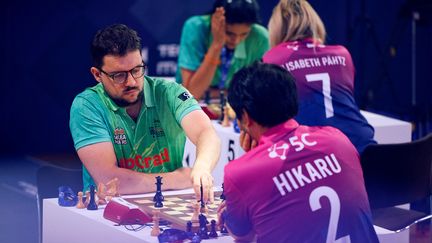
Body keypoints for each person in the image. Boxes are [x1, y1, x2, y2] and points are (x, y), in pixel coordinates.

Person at [217, 62, 379, 243]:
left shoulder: (239, 172)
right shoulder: (338, 139)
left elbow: (243, 237)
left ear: (246, 117)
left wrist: (252, 160)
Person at [69, 24, 221, 201]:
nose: (131, 82)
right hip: (109, 209)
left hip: (168, 201)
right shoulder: (87, 105)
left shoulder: (170, 92)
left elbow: (206, 132)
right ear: (97, 74)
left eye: (137, 70)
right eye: (118, 75)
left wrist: (202, 167)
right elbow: (109, 181)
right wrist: (177, 179)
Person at [263, 0, 376, 154]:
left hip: (316, 152)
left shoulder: (273, 59)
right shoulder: (342, 54)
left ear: (276, 29)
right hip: (364, 146)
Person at [176, 0, 269, 100]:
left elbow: (255, 93)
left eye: (244, 34)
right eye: (229, 33)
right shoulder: (195, 28)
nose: (236, 41)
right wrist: (216, 45)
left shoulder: (260, 37)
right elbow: (190, 95)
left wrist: (211, 92)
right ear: (215, 20)